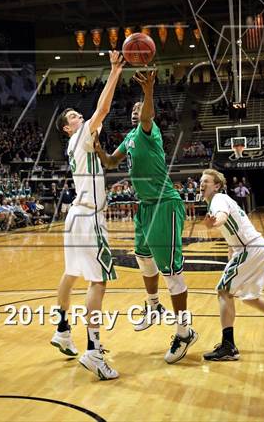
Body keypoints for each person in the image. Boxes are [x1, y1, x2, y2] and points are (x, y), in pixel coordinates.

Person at [95, 69, 198, 364]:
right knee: (142, 256)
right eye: (133, 108)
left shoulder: (148, 131)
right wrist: (96, 146)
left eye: (139, 108)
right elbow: (111, 161)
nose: (135, 111)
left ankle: (184, 331)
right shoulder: (129, 137)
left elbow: (147, 115)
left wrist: (149, 91)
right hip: (144, 205)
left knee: (172, 274)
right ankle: (154, 306)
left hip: (165, 204)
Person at [50, 51, 124, 381]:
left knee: (70, 274)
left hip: (75, 216)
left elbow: (100, 119)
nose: (83, 118)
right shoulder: (79, 137)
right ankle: (93, 350)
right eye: (77, 117)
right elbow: (104, 108)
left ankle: (63, 329)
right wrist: (114, 70)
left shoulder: (79, 144)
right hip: (90, 217)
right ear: (69, 128)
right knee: (98, 280)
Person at [200, 168, 264, 360]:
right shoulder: (221, 200)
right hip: (256, 248)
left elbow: (222, 216)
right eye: (201, 181)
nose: (202, 184)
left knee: (224, 291)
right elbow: (230, 236)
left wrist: (214, 222)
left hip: (249, 249)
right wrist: (231, 261)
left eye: (206, 182)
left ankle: (229, 347)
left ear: (217, 186)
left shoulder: (218, 199)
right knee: (250, 297)